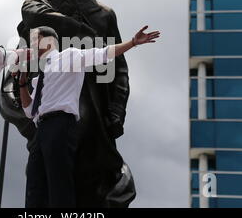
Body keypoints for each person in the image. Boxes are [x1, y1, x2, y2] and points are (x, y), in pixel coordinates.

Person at [16, 25, 160, 208]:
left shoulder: (68, 56)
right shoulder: (39, 77)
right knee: (34, 182)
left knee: (58, 181)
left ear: (49, 40)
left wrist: (132, 42)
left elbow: (103, 54)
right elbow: (30, 111)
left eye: (35, 39)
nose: (31, 44)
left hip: (60, 123)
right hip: (42, 127)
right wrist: (22, 84)